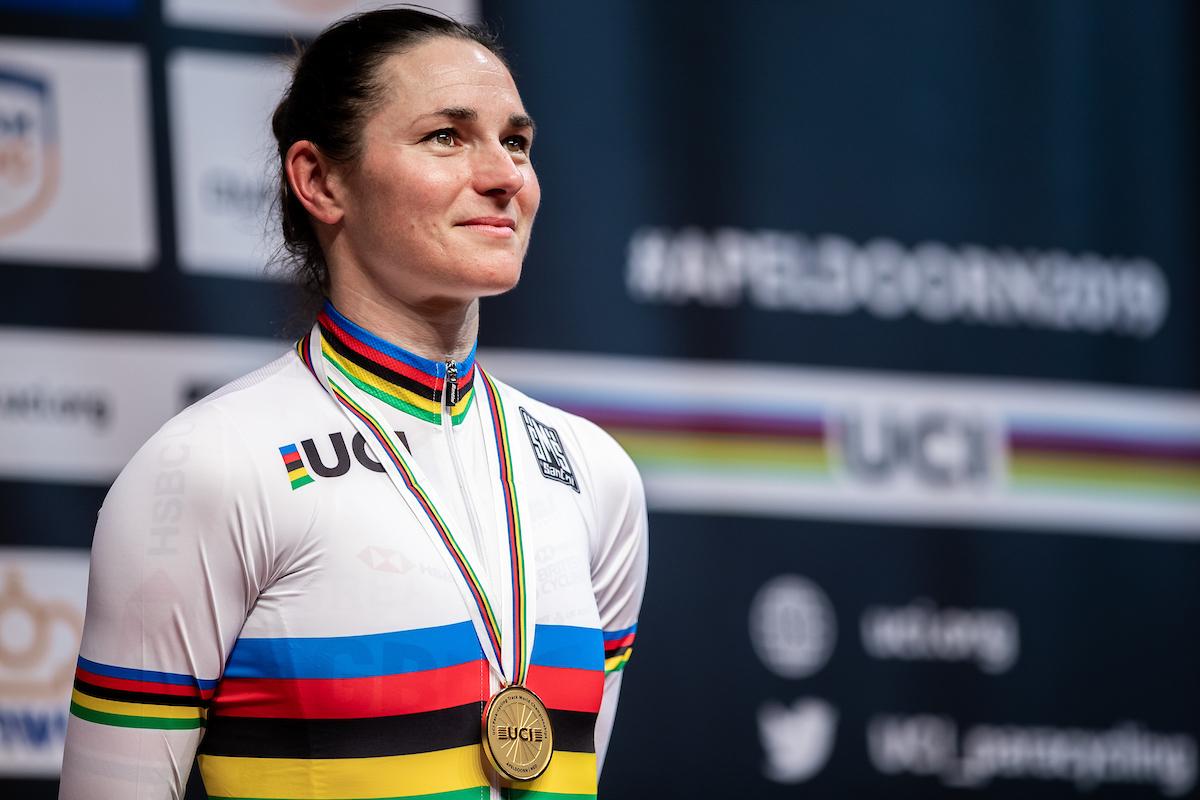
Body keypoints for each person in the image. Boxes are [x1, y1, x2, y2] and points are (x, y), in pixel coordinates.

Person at [59, 9, 648, 800]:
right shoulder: (209, 466)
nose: (506, 174)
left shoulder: (593, 474)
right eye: (447, 135)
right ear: (322, 181)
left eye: (516, 141)